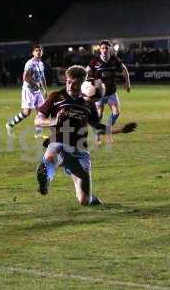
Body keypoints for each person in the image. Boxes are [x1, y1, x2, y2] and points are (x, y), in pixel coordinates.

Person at [35, 65, 136, 206]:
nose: (70, 85)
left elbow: (98, 128)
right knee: (53, 154)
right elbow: (38, 120)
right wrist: (55, 120)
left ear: (83, 83)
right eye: (68, 81)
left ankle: (90, 198)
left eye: (75, 83)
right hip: (59, 142)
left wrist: (121, 130)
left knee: (84, 201)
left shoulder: (88, 103)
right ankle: (45, 180)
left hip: (79, 150)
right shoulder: (56, 96)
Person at [86, 40, 131, 145]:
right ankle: (97, 138)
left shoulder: (115, 60)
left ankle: (107, 131)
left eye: (106, 48)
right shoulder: (95, 61)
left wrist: (128, 84)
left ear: (110, 49)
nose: (104, 50)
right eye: (103, 48)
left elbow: (124, 70)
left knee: (116, 112)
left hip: (111, 92)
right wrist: (86, 85)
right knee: (98, 116)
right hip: (98, 94)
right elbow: (85, 71)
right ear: (100, 50)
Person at [5, 44, 48, 138]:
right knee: (26, 113)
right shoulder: (30, 63)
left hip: (37, 91)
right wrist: (35, 84)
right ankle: (9, 125)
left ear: (42, 52)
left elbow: (42, 77)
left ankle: (38, 134)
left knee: (41, 111)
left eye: (40, 50)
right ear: (33, 53)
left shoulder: (41, 63)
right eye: (36, 50)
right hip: (28, 90)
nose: (38, 52)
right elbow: (25, 77)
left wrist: (45, 89)